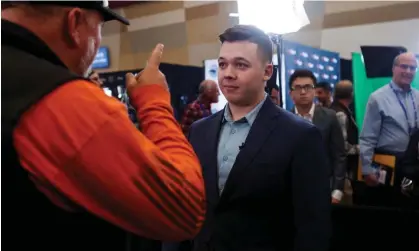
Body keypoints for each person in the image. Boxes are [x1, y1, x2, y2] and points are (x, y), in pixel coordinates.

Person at [2, 2, 205, 250]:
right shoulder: (56, 99)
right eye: (99, 28)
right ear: (74, 23)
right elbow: (184, 208)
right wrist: (153, 100)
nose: (99, 39)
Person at [165, 25, 332, 251]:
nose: (228, 73)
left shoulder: (300, 136)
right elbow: (185, 206)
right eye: (223, 64)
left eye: (240, 65)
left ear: (267, 72)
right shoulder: (199, 131)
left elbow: (312, 226)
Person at [359, 52, 418, 206]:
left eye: (413, 68)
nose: (408, 71)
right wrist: (366, 168)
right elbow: (368, 136)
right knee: (387, 210)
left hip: (412, 167)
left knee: (409, 209)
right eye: (404, 66)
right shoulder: (377, 98)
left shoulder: (417, 97)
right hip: (388, 165)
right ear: (393, 68)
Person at [290, 69, 347, 204]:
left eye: (308, 87)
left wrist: (337, 190)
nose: (303, 92)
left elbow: (339, 155)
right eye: (298, 88)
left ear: (314, 91)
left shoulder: (330, 117)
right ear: (291, 93)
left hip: (324, 188)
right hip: (293, 191)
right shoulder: (284, 119)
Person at [330, 80, 359, 185]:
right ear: (351, 94)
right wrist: (359, 148)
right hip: (343, 170)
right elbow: (341, 146)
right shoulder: (340, 114)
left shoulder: (335, 109)